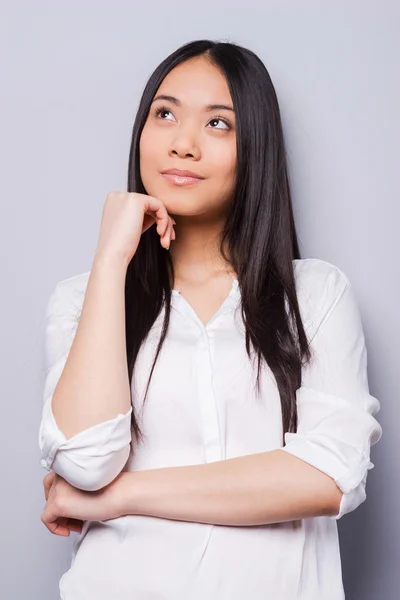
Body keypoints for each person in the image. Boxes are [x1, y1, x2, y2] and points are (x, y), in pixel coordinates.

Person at [38, 39, 382, 599]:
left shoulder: (314, 295)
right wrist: (110, 261)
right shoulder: (82, 300)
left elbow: (327, 477)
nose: (183, 144)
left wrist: (122, 497)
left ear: (257, 149)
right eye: (165, 113)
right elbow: (84, 463)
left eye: (219, 124)